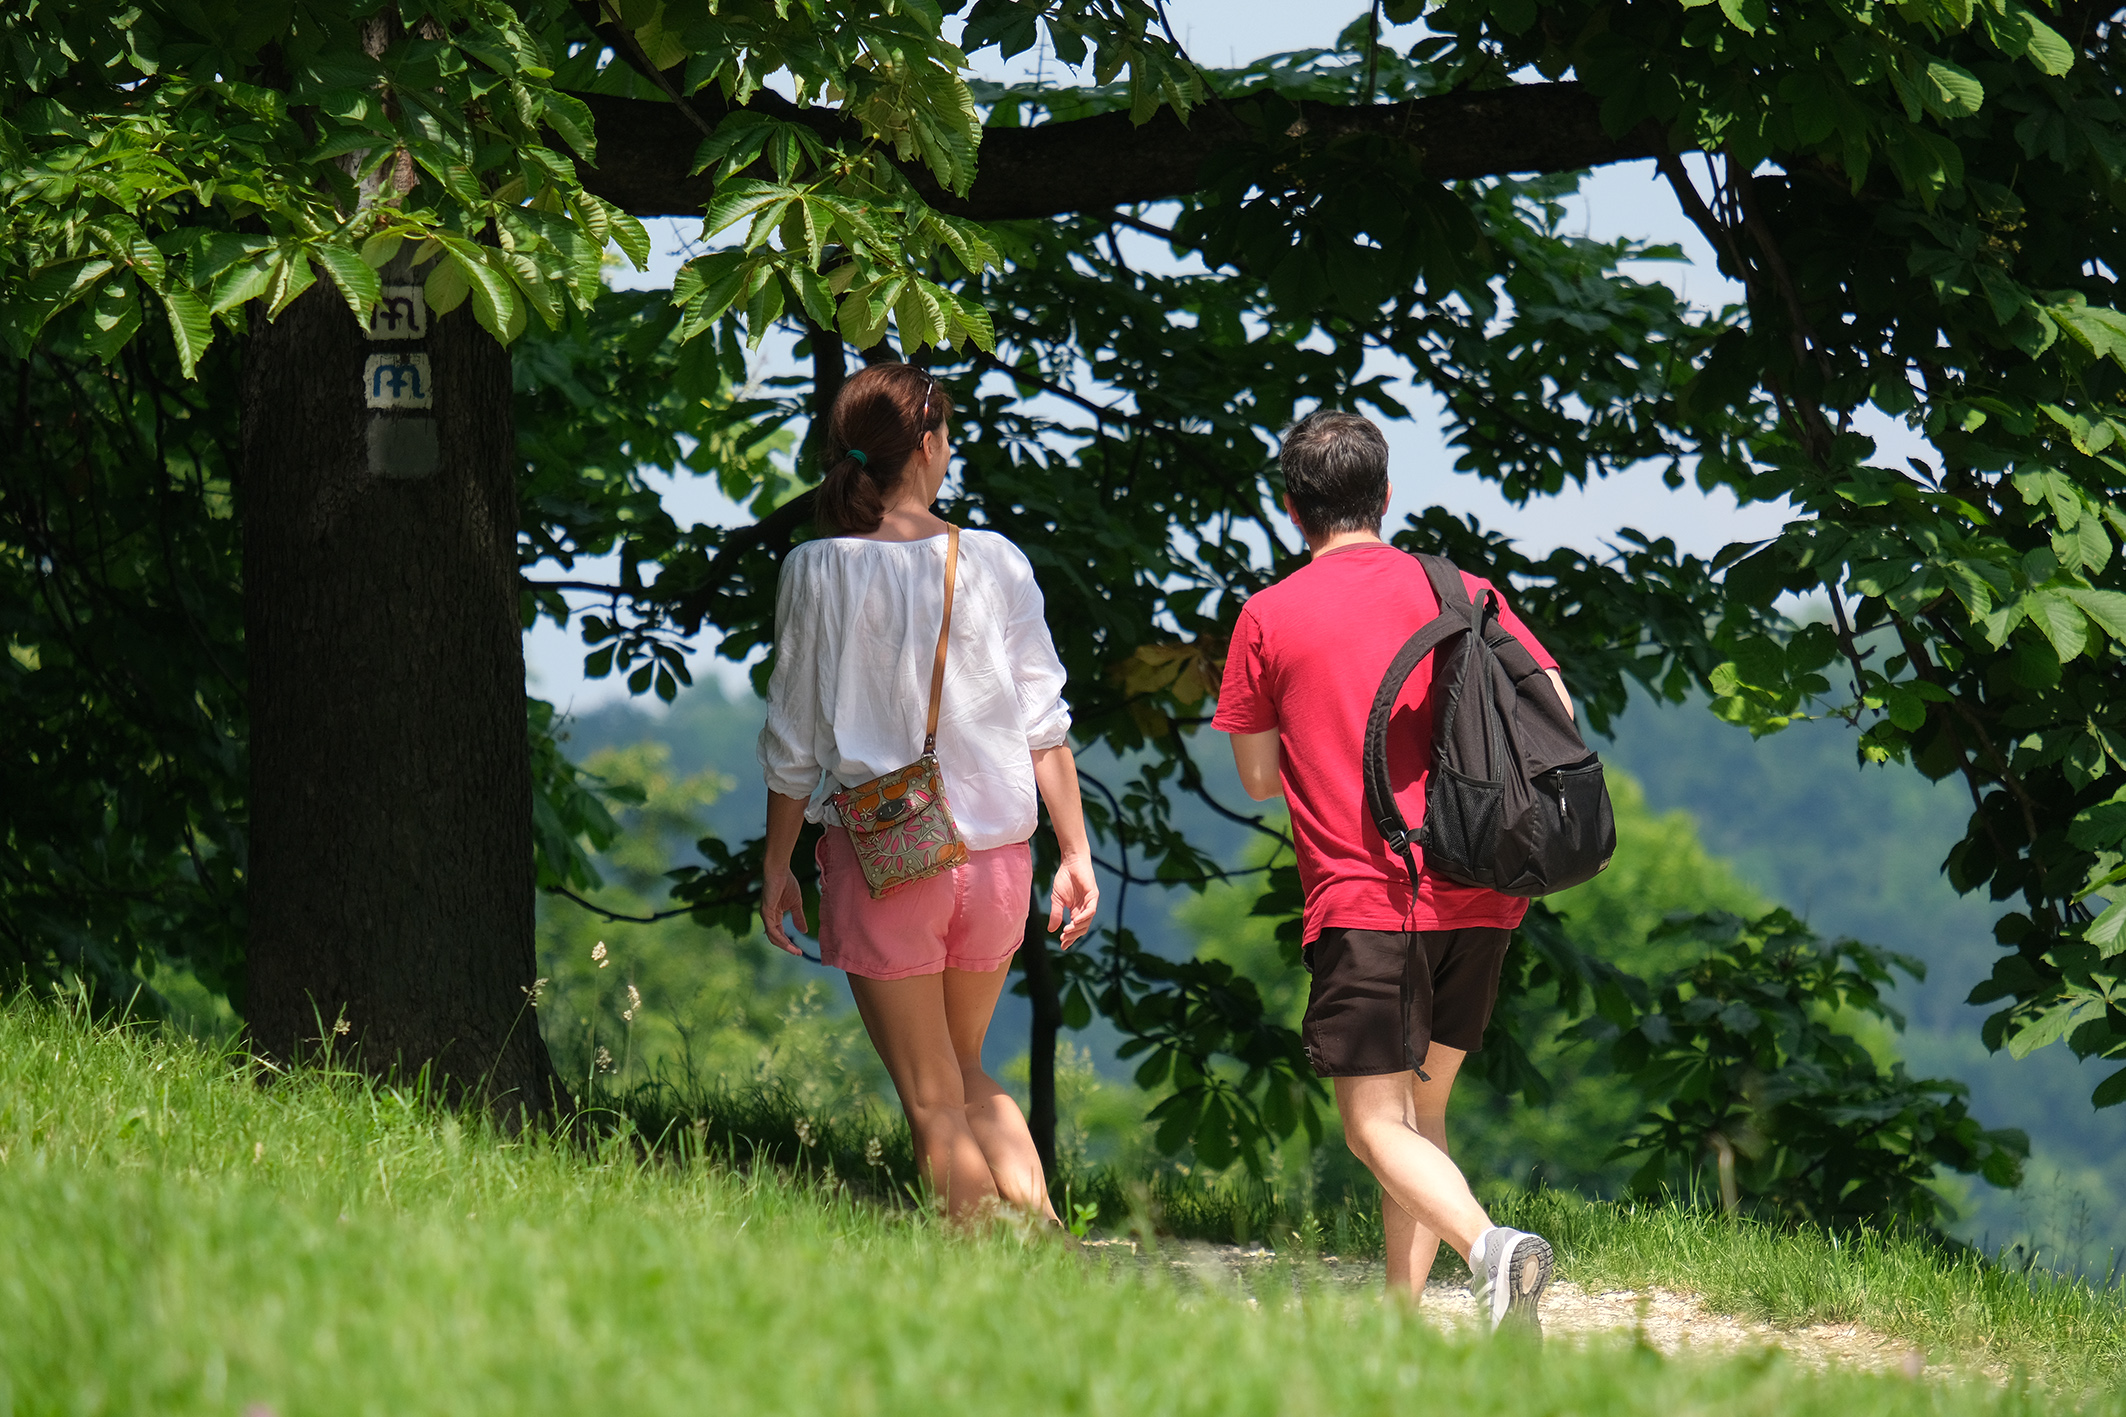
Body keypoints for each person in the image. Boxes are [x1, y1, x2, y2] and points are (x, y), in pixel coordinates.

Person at [1212, 410, 1567, 1331]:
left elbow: (1256, 777)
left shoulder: (1268, 616)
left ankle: (1494, 1250)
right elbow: (1554, 703)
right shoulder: (1460, 586)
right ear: (1387, 496)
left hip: (1368, 896)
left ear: (1291, 509)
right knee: (1422, 1115)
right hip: (1482, 891)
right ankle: (1401, 1324)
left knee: (1373, 1126)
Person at [757, 362, 1099, 1224]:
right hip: (994, 864)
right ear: (931, 443)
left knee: (929, 1096)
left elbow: (794, 746)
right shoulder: (994, 561)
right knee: (965, 1066)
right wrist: (1076, 852)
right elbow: (1043, 723)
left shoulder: (816, 569)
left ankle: (990, 1277)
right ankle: (1046, 1235)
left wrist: (777, 864)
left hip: (887, 858)